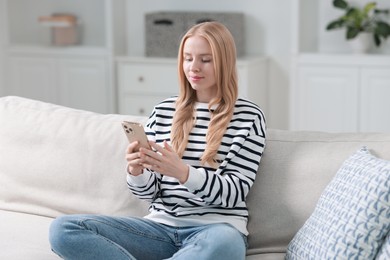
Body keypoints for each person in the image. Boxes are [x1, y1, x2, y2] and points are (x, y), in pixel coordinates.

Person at [49, 21, 266, 260]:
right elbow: (149, 193)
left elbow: (234, 192)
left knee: (227, 245)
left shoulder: (248, 116)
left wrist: (184, 173)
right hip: (158, 229)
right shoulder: (163, 111)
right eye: (187, 58)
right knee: (64, 229)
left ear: (224, 62)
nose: (194, 67)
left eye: (205, 59)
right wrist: (136, 170)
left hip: (215, 229)